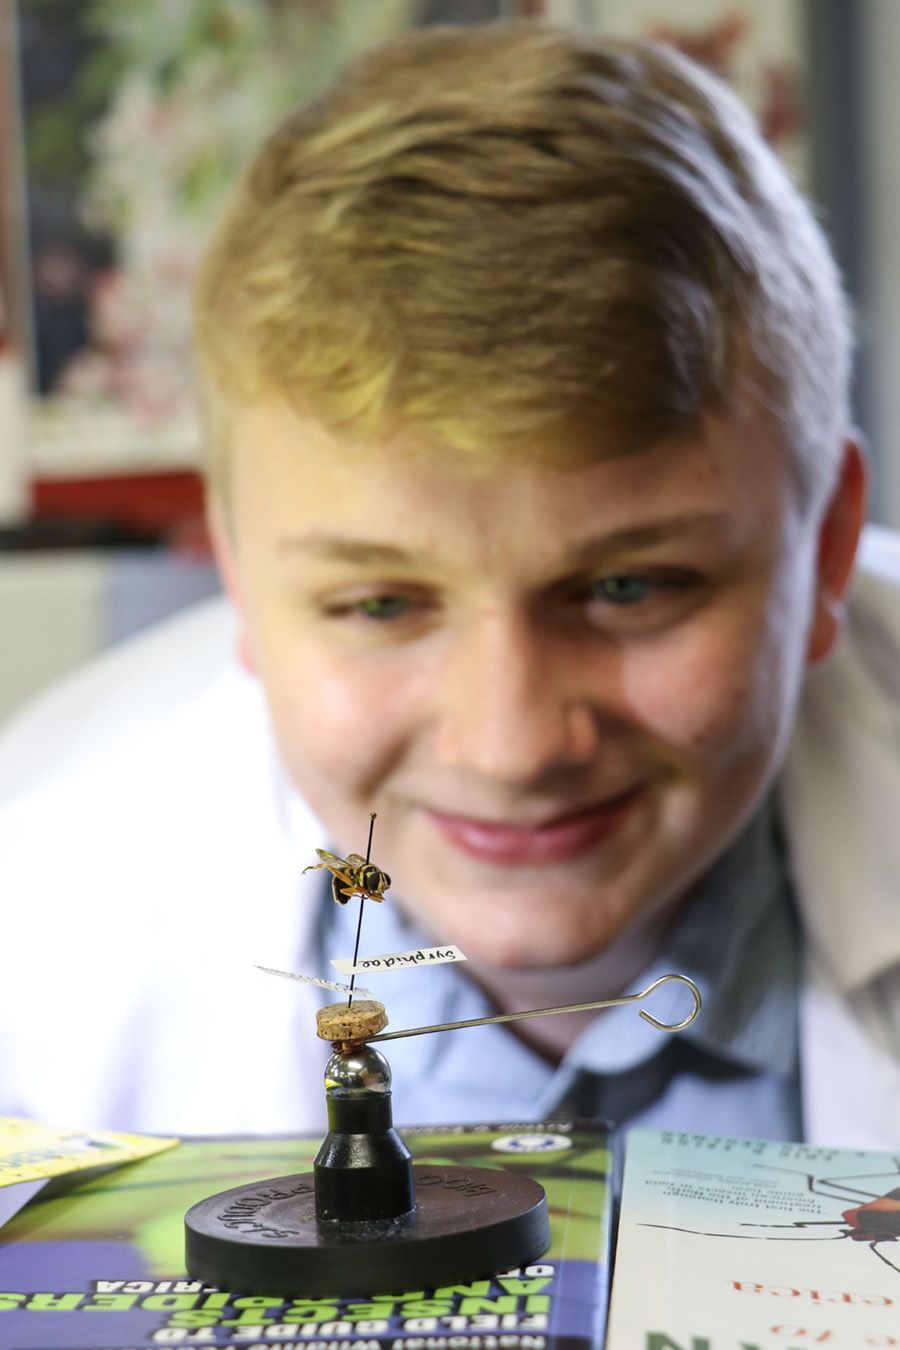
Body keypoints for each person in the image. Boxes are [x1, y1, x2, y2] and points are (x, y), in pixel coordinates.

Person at [2, 22, 897, 1149]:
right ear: (235, 574)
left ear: (824, 549)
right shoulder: (30, 931)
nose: (509, 746)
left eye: (627, 586)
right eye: (381, 604)